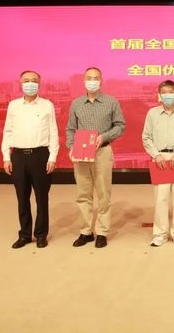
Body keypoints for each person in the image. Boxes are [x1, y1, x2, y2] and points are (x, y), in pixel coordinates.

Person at [66, 67, 125, 248]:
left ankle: (102, 232)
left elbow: (120, 126)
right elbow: (70, 128)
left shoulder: (111, 102)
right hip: (81, 152)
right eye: (89, 78)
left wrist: (104, 136)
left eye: (96, 78)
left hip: (102, 152)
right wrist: (71, 147)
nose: (92, 81)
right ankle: (86, 231)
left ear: (101, 80)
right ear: (84, 81)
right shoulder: (76, 103)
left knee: (103, 193)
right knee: (83, 193)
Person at [1, 70, 59, 249]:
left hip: (40, 155)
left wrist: (52, 157)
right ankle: (25, 235)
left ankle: (41, 235)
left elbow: (53, 132)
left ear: (39, 84)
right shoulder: (13, 106)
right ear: (20, 84)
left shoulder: (47, 105)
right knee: (22, 198)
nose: (30, 83)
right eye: (26, 81)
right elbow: (7, 131)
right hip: (18, 156)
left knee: (42, 198)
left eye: (34, 80)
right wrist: (6, 157)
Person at [142, 80, 174, 247]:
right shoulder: (152, 113)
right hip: (160, 159)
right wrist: (156, 155)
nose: (167, 95)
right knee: (161, 199)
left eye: (171, 92)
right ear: (159, 95)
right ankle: (160, 234)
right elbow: (146, 137)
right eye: (164, 92)